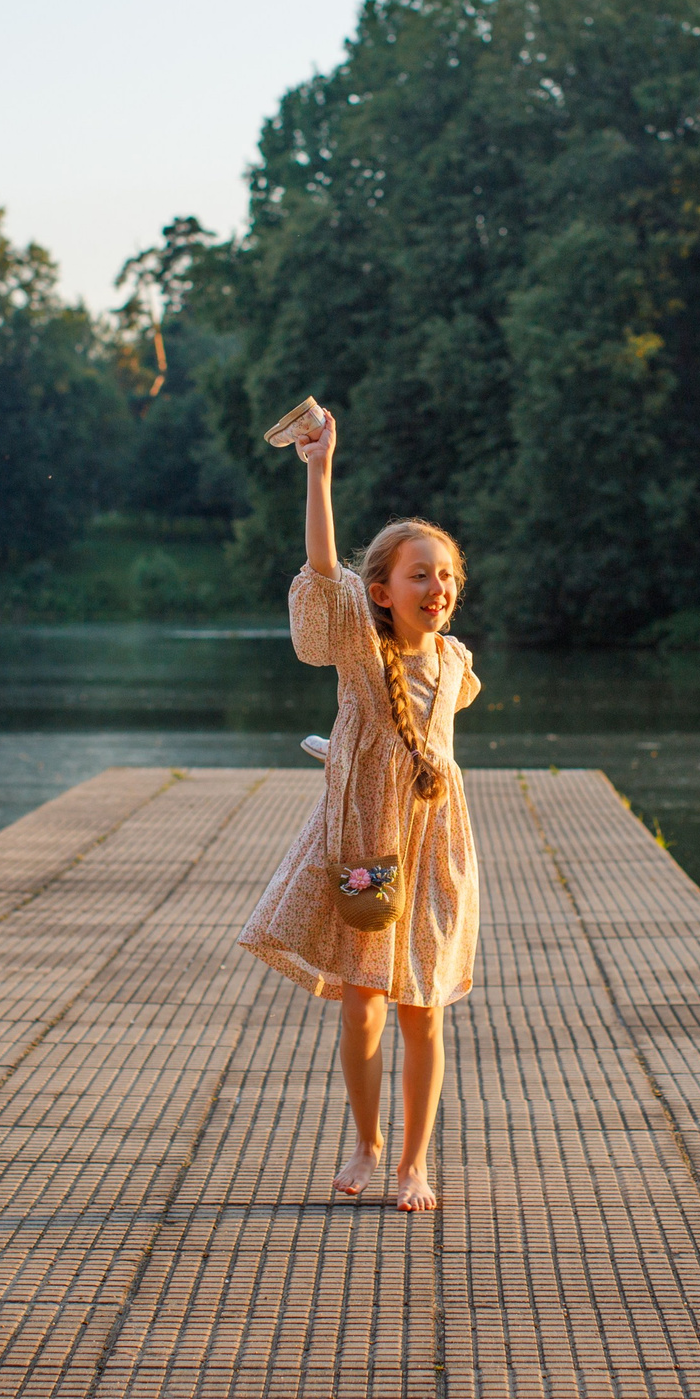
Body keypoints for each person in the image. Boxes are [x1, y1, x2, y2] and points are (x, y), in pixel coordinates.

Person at [237, 408, 481, 1213]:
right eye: (421, 575)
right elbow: (321, 566)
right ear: (381, 591)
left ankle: (416, 1162)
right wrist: (319, 470)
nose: (437, 588)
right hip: (370, 844)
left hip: (437, 848)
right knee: (365, 1003)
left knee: (425, 1008)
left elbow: (433, 737)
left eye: (446, 576)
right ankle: (368, 1142)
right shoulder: (359, 644)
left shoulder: (454, 662)